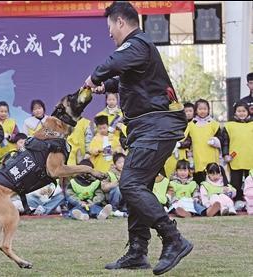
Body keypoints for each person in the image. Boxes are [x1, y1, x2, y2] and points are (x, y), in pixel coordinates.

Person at [84, 2, 192, 273]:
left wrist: (93, 77)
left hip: (157, 126)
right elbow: (130, 80)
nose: (109, 33)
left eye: (109, 25)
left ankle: (173, 238)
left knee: (130, 184)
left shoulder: (137, 43)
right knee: (136, 187)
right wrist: (106, 85)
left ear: (120, 22)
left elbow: (117, 61)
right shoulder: (139, 51)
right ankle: (137, 251)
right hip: (149, 128)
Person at [184, 99, 223, 184]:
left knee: (212, 177)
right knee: (200, 179)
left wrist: (215, 141)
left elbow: (221, 138)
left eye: (205, 109)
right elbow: (186, 139)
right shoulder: (190, 125)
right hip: (197, 156)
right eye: (200, 109)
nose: (202, 111)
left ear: (208, 110)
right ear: (196, 110)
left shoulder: (214, 124)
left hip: (212, 155)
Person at [222, 102, 252, 204]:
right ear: (235, 112)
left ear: (248, 112)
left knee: (250, 182)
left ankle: (250, 201)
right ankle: (237, 200)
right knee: (235, 182)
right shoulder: (229, 126)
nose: (241, 113)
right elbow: (225, 142)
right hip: (235, 159)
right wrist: (225, 154)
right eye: (239, 111)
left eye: (244, 111)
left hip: (250, 158)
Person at [101, 153, 127, 217]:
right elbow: (104, 187)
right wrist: (116, 183)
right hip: (112, 197)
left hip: (124, 199)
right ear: (115, 165)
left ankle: (125, 209)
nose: (122, 164)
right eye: (119, 162)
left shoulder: (129, 173)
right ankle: (114, 210)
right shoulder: (110, 173)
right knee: (117, 189)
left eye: (124, 162)